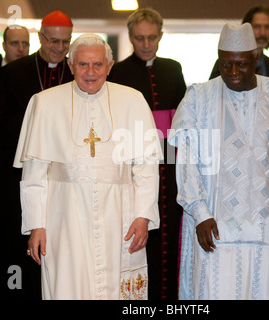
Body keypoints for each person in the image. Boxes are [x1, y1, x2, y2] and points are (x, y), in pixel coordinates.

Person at [168, 23, 269, 300]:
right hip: (214, 225)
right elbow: (187, 161)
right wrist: (199, 212)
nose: (233, 72)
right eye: (226, 64)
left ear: (255, 57)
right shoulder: (198, 98)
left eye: (241, 64)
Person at [13, 33, 163, 300]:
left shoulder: (133, 100)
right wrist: (36, 225)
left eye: (97, 65)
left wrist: (143, 216)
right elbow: (34, 173)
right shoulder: (44, 102)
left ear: (110, 65)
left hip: (120, 213)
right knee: (66, 285)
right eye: (83, 65)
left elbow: (146, 167)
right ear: (70, 66)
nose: (90, 72)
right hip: (63, 217)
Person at [108, 8, 186, 300]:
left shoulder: (173, 67)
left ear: (160, 36)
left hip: (168, 162)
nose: (146, 44)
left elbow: (180, 118)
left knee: (168, 229)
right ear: (130, 37)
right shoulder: (118, 71)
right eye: (139, 38)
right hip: (132, 161)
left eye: (152, 37)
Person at [0, 10, 74, 300]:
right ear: (41, 37)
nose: (59, 48)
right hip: (18, 176)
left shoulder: (75, 73)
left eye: (65, 42)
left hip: (63, 177)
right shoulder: (13, 73)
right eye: (53, 41)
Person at [209, 5, 269, 79]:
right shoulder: (227, 62)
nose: (262, 33)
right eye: (257, 27)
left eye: (267, 27)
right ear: (246, 29)